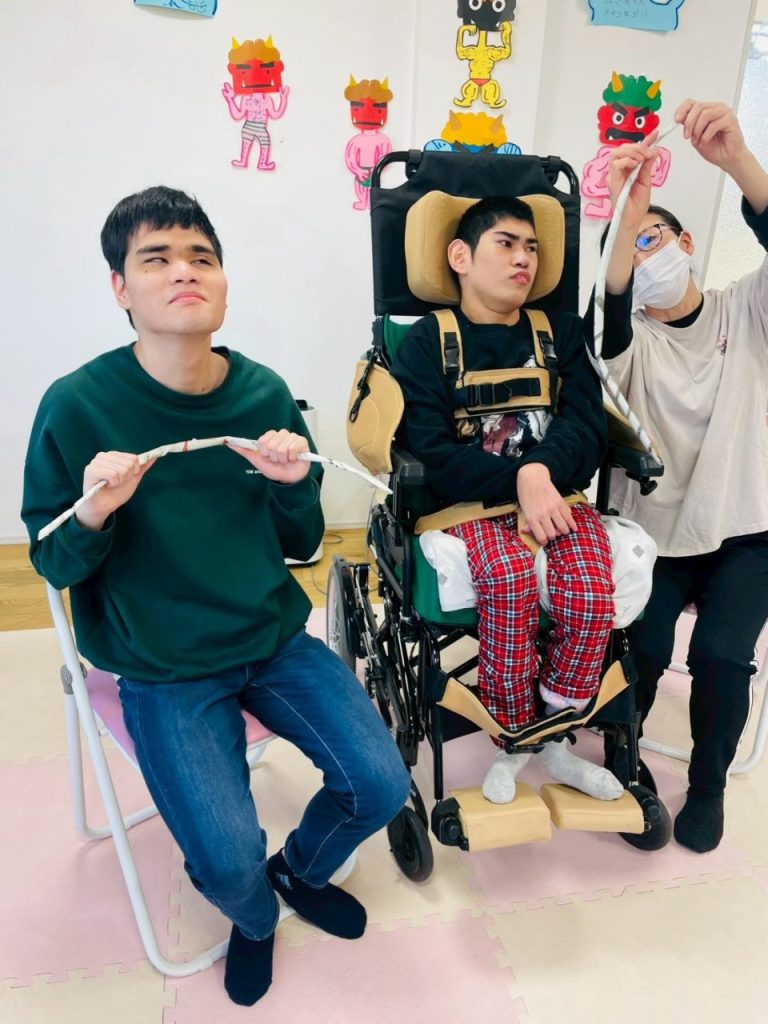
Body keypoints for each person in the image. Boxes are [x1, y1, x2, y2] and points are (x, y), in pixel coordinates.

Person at [21, 186, 409, 1006]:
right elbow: (52, 563)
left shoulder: (263, 393)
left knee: (381, 786)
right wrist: (92, 512)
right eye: (156, 258)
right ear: (121, 289)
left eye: (202, 257)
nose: (184, 271)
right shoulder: (76, 406)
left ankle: (298, 873)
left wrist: (293, 485)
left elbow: (302, 543)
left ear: (225, 284)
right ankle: (256, 918)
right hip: (163, 667)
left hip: (272, 640)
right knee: (228, 864)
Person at [391, 195, 624, 806]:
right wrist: (519, 479)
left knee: (591, 592)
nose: (524, 258)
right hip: (467, 504)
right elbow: (430, 449)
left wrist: (539, 471)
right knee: (508, 577)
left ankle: (556, 737)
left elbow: (586, 427)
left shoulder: (561, 333)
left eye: (532, 247)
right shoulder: (427, 341)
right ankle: (513, 739)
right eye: (507, 243)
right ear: (460, 256)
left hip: (554, 494)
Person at [602, 99, 768, 852]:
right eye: (632, 251)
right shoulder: (629, 344)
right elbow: (606, 313)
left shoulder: (748, 309)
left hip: (745, 528)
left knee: (722, 657)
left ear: (688, 243)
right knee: (642, 648)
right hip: (655, 535)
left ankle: (708, 786)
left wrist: (736, 161)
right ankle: (627, 763)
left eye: (655, 238)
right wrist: (623, 217)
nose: (647, 258)